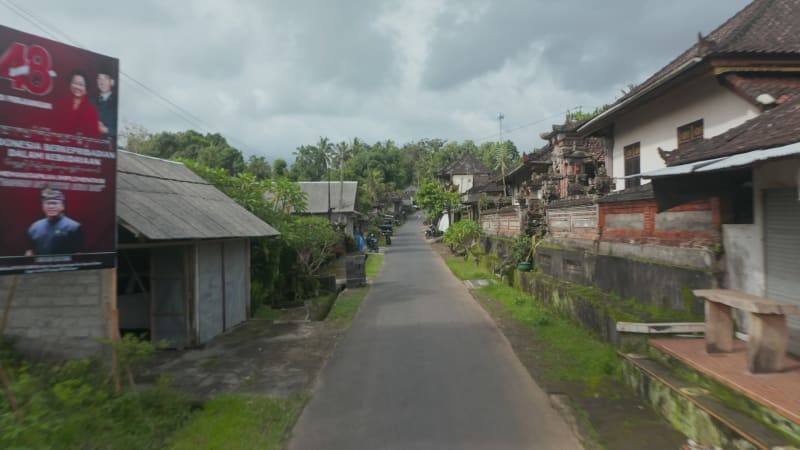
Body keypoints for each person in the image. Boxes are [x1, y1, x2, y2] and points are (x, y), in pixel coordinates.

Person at [25, 188, 84, 256]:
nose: (51, 206)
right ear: (42, 206)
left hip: (65, 266)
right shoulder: (34, 227)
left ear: (63, 206)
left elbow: (79, 255)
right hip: (41, 266)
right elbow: (30, 251)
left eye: (55, 203)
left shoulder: (74, 227)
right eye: (48, 203)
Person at [56, 70, 101, 138]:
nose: (77, 87)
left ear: (86, 89)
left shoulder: (91, 109)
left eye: (81, 85)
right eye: (74, 83)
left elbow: (94, 134)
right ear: (70, 84)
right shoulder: (61, 104)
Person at [92, 67, 117, 138]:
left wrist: (106, 130)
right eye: (99, 79)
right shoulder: (90, 102)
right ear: (97, 81)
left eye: (105, 78)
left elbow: (121, 130)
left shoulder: (117, 104)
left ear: (112, 82)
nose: (102, 82)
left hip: (109, 144)